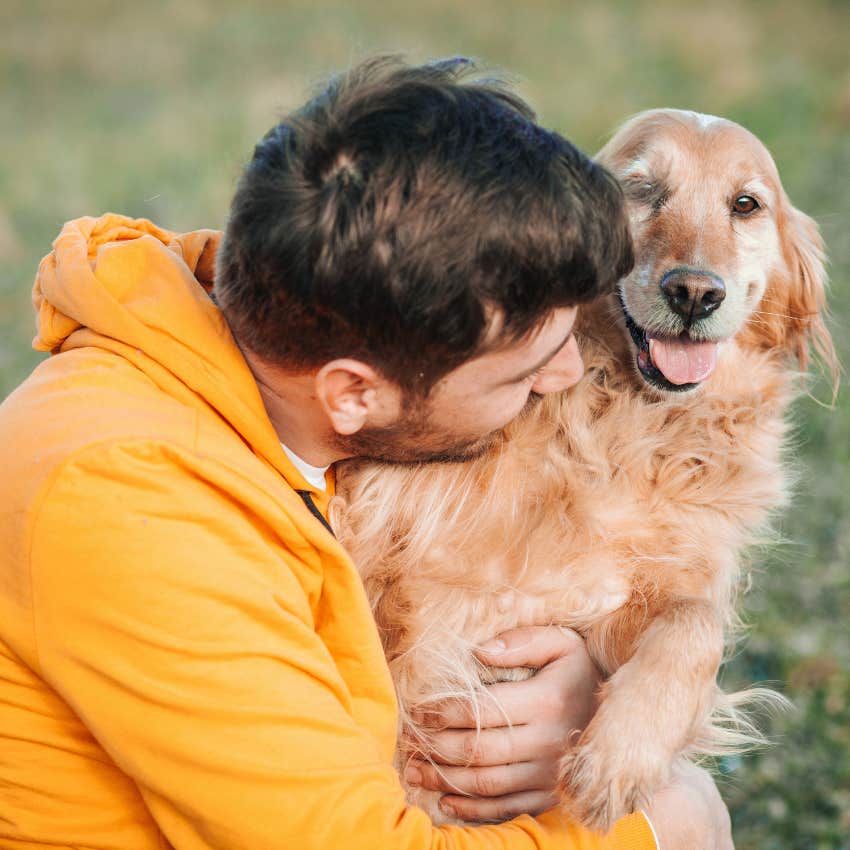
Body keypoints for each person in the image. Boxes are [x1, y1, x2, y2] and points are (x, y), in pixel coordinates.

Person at [0, 56, 733, 849]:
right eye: (527, 367)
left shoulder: (293, 361)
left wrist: (590, 698)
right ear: (354, 393)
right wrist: (666, 824)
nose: (563, 380)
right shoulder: (126, 500)